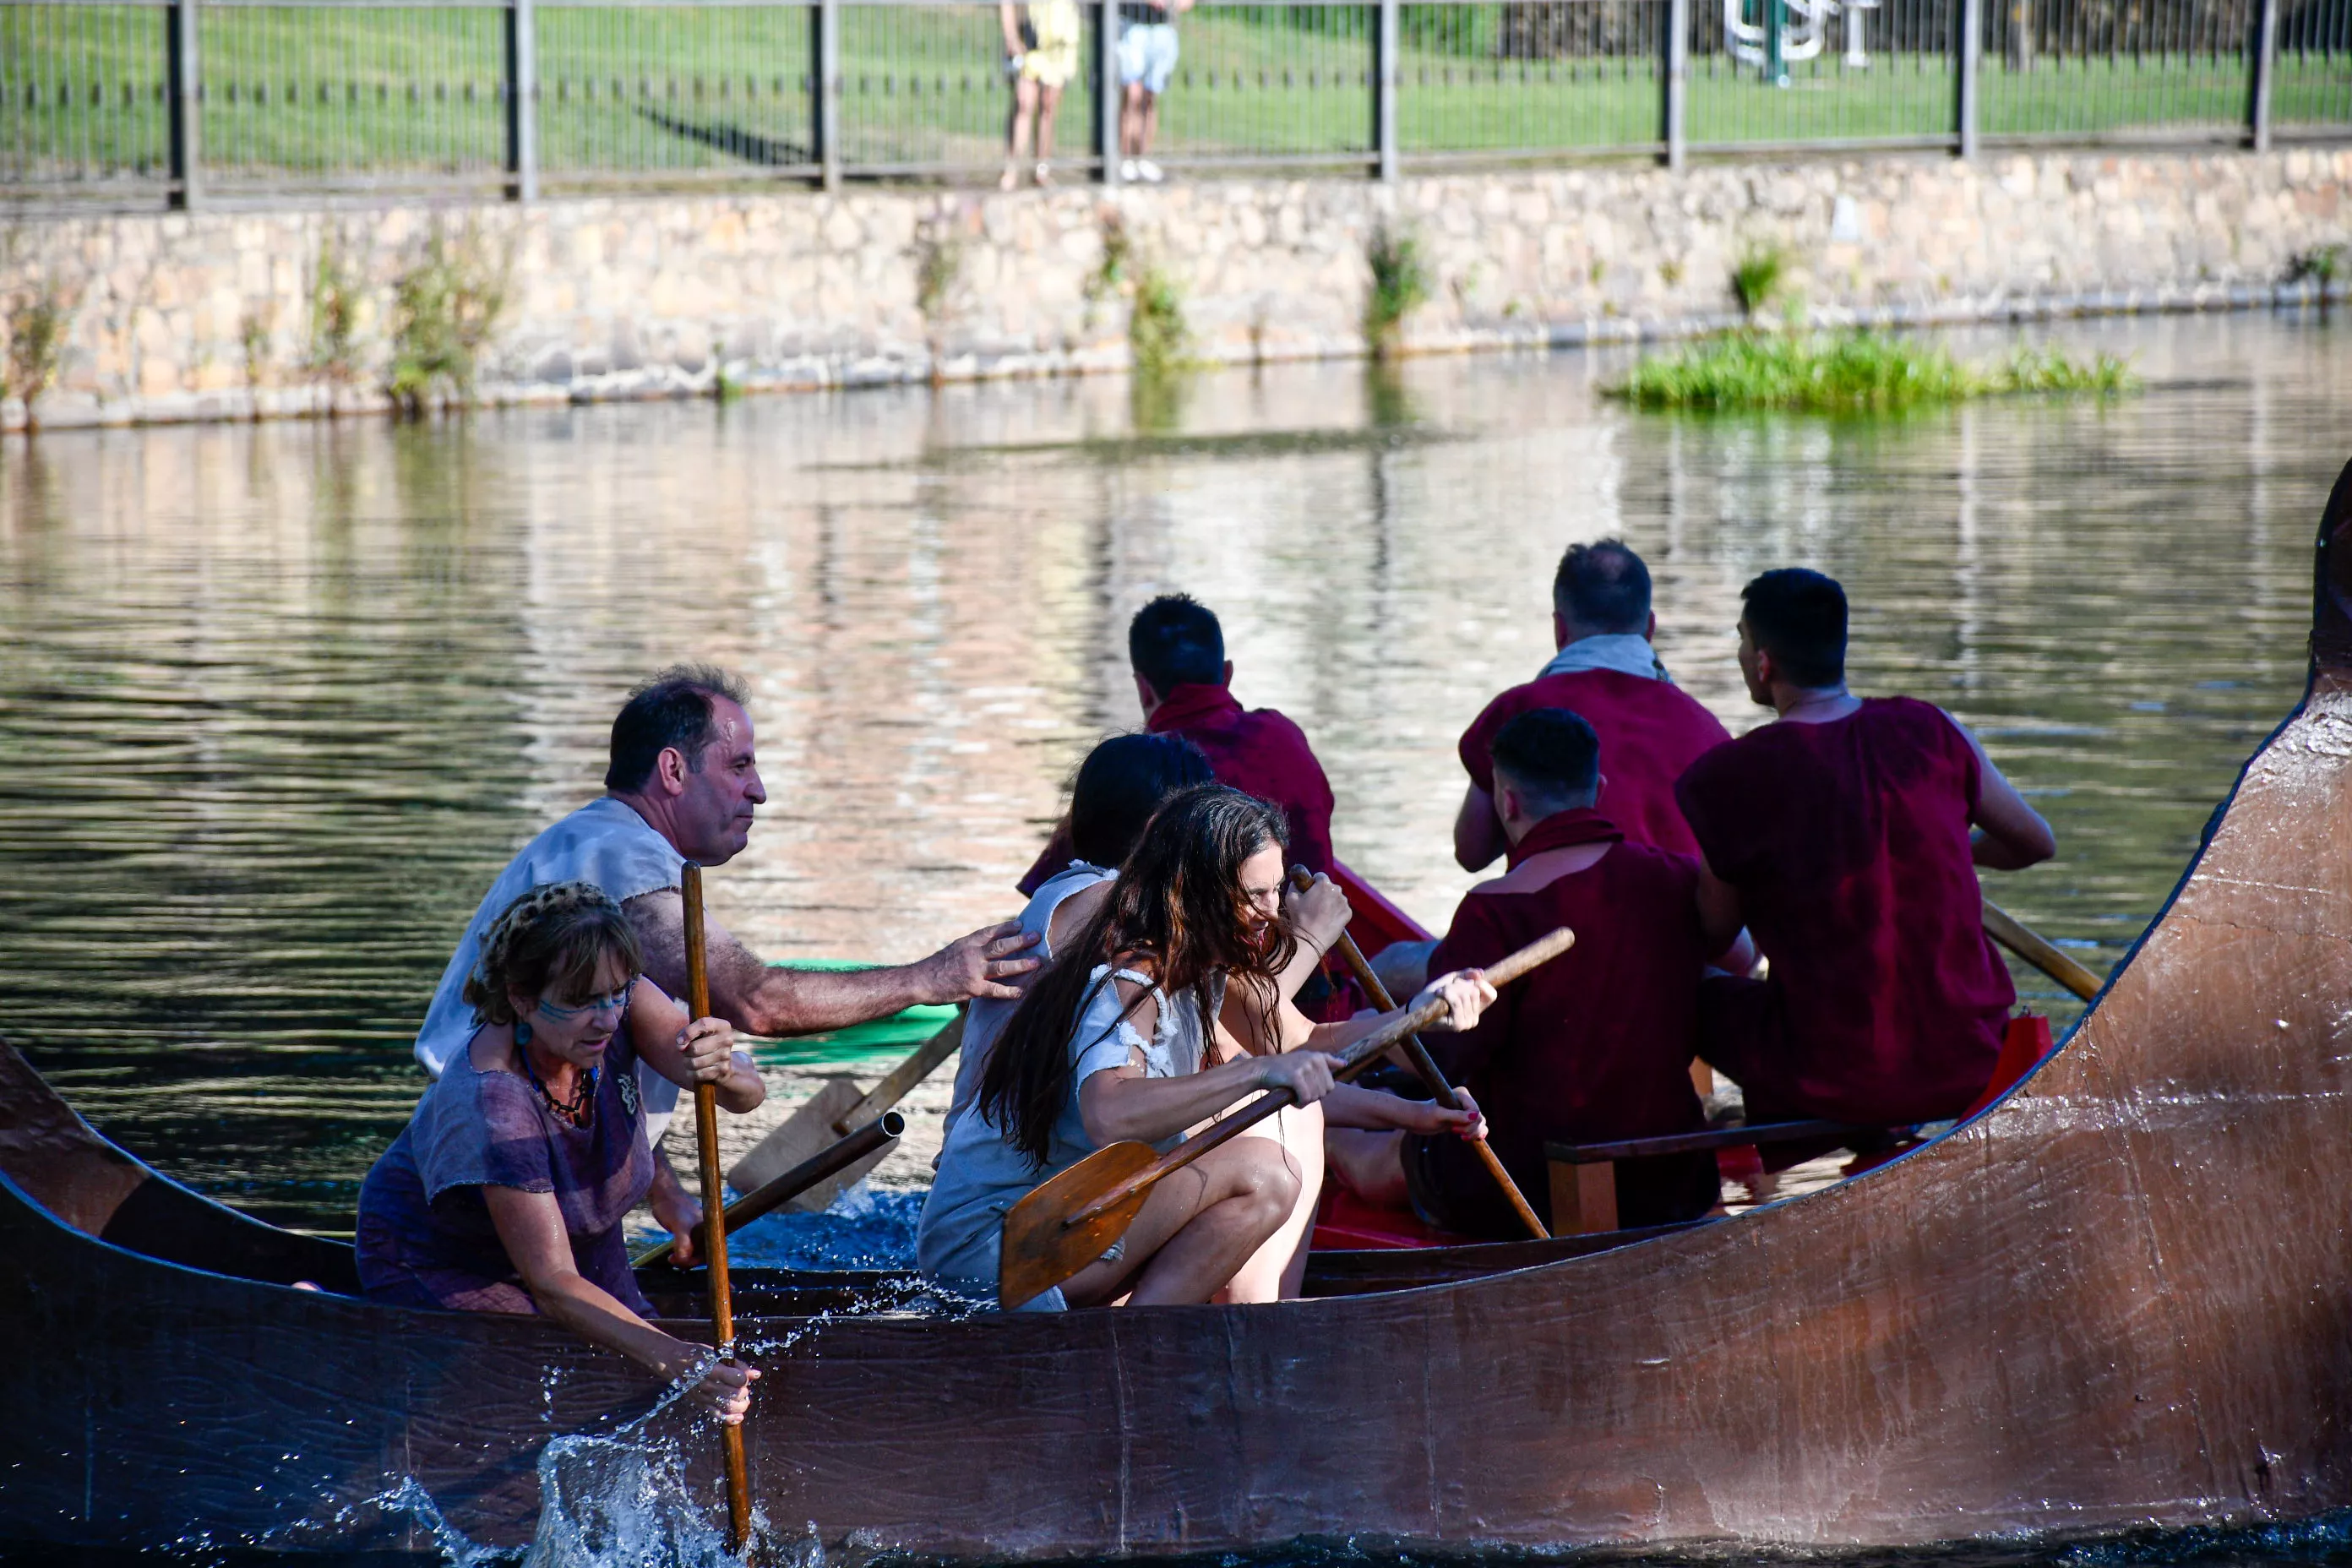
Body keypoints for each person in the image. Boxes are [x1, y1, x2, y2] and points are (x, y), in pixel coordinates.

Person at [413, 665, 1040, 1261]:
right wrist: (931, 978)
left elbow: (594, 1064)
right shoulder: (623, 857)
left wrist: (665, 1192)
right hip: (486, 1171)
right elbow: (756, 1002)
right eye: (739, 765)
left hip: (512, 1161)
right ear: (673, 770)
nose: (759, 791)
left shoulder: (602, 843)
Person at [920, 785, 1495, 1309]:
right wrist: (1258, 1073)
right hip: (993, 1248)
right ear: (1194, 893)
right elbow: (1109, 1112)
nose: (1273, 914)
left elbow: (1309, 1046)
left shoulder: (1205, 967)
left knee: (1268, 1163)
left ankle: (1135, 1354)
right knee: (1266, 1172)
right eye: (1255, 896)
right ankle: (1128, 1364)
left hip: (1068, 1223)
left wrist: (1423, 1039)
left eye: (1275, 892)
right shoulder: (1132, 977)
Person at [358, 884, 765, 1422]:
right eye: (579, 1003)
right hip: (443, 1259)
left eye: (617, 993)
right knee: (544, 1387)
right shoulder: (493, 1103)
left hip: (582, 1236)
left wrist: (722, 1064)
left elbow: (746, 1096)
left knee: (635, 1377)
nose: (606, 1018)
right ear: (522, 998)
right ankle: (330, 1313)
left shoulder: (619, 998)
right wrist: (682, 1362)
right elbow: (552, 1282)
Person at [1328, 709, 1734, 1238]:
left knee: (1352, 1141)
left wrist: (1369, 1034)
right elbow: (1740, 957)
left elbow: (1444, 1061)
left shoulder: (1496, 906)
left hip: (1528, 1183)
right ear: (1599, 788)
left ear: (1507, 801)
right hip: (1674, 1175)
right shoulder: (1675, 877)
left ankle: (1322, 1141)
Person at [1674, 569, 2057, 1130]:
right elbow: (2033, 842)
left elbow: (1714, 931)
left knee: (1689, 986)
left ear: (1763, 663)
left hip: (1830, 1071)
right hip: (1974, 1054)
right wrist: (1938, 841)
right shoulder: (1932, 729)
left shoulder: (1730, 776)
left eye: (1741, 638)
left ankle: (1691, 1171)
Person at [1017, 595, 1337, 896]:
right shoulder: (1284, 734)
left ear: (1143, 689)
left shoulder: (1144, 770)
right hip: (1319, 944)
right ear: (1226, 675)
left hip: (1214, 951)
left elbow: (1052, 890)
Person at [1454, 540, 1729, 870]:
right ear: (1650, 628)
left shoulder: (1516, 714)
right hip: (1675, 920)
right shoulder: (1707, 731)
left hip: (1554, 921)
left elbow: (1471, 852)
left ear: (1559, 628)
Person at [998, 0, 1081, 189]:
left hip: (1060, 40)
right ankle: (1011, 168)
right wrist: (1011, 36)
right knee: (1024, 104)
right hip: (1030, 38)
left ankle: (1041, 170)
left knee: (1048, 107)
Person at [1115, 0, 1191, 182]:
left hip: (1162, 28)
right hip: (1133, 23)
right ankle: (1125, 158)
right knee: (1132, 95)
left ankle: (1142, 157)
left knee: (1149, 98)